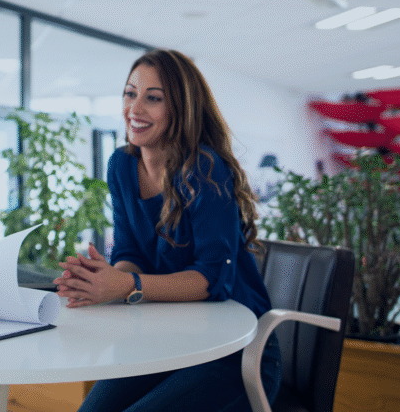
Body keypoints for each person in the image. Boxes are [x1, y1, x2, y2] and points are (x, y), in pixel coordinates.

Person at [53, 49, 281, 412]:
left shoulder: (204, 168)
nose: (135, 108)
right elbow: (130, 253)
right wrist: (105, 281)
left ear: (181, 108)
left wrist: (126, 285)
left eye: (153, 98)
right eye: (130, 93)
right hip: (167, 339)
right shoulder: (121, 165)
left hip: (235, 350)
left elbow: (212, 280)